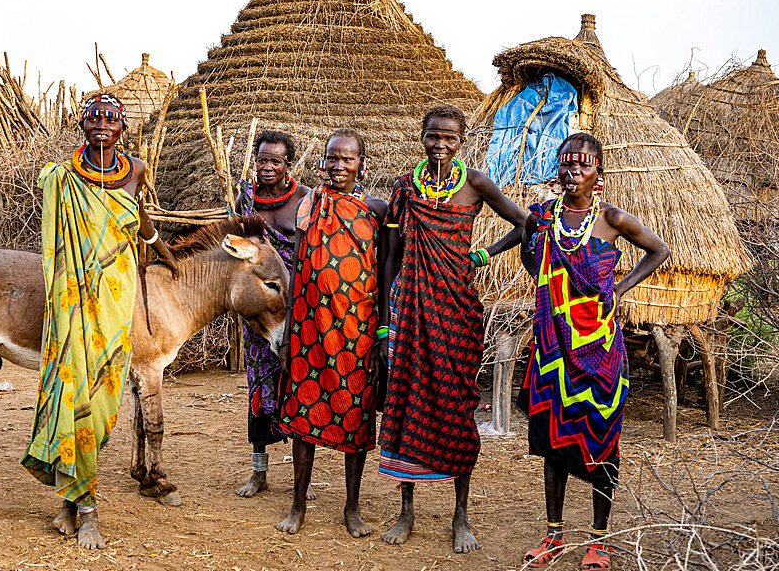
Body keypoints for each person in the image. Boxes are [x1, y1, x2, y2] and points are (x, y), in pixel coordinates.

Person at [21, 94, 179, 550]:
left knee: (105, 398)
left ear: (123, 130)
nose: (103, 128)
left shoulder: (137, 170)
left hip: (117, 294)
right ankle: (86, 510)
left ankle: (69, 504)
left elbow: (137, 217)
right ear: (82, 129)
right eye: (94, 121)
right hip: (74, 298)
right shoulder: (64, 177)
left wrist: (161, 247)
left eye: (112, 122)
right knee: (74, 394)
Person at [377, 104, 527, 550]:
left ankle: (462, 514)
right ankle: (406, 512)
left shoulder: (476, 183)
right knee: (405, 402)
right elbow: (390, 257)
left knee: (456, 405)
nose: (440, 144)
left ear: (462, 140)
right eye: (433, 136)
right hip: (409, 311)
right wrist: (386, 324)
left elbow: (526, 223)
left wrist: (482, 255)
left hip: (457, 310)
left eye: (450, 138)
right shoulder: (405, 189)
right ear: (421, 137)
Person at [518, 133, 668, 570]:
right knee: (551, 442)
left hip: (600, 349)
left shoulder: (612, 218)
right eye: (565, 164)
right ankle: (554, 536)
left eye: (582, 166)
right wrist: (544, 281)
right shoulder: (544, 216)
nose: (572, 173)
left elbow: (659, 250)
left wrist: (619, 290)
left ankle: (599, 541)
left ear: (598, 172)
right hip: (552, 345)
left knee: (601, 439)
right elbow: (530, 254)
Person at [275, 128, 388, 537]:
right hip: (309, 327)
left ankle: (352, 508)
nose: (338, 166)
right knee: (304, 413)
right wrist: (289, 328)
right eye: (332, 159)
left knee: (354, 417)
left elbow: (387, 270)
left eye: (347, 159)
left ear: (362, 163)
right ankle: (298, 505)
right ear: (322, 162)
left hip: (356, 331)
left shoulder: (377, 210)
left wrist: (382, 335)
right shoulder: (310, 205)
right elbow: (298, 264)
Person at [233, 130, 310, 498]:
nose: (266, 167)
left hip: (299, 307)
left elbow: (314, 252)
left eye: (274, 161)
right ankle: (258, 472)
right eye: (262, 159)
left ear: (287, 165)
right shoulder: (245, 199)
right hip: (261, 312)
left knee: (298, 386)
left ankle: (301, 477)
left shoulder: (305, 200)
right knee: (260, 387)